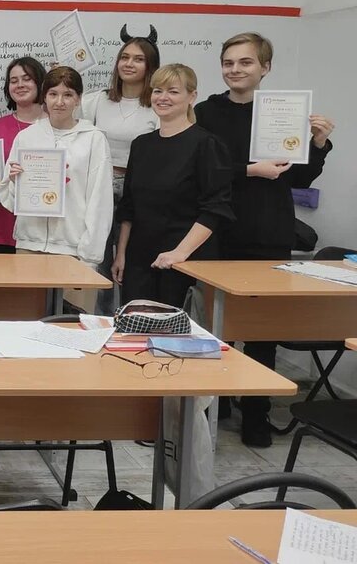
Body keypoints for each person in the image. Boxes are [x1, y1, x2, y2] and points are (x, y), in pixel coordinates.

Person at [195, 32, 335, 447]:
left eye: (246, 62)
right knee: (216, 328)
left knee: (262, 331)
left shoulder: (284, 112)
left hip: (268, 231)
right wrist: (249, 170)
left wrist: (318, 143)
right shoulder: (205, 112)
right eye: (229, 63)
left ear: (265, 68)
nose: (235, 69)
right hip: (217, 230)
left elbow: (299, 176)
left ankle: (256, 413)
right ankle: (216, 404)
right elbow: (200, 171)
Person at [113, 63, 234, 310]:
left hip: (184, 262)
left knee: (176, 331)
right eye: (157, 91)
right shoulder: (141, 145)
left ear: (192, 97)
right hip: (139, 262)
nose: (163, 97)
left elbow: (215, 209)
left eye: (173, 91)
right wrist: (121, 254)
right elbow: (129, 206)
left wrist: (179, 253)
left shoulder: (207, 144)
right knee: (135, 327)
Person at [81, 26, 160, 313]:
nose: (129, 64)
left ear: (150, 66)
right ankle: (100, 322)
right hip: (99, 188)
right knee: (98, 263)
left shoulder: (157, 104)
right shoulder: (97, 101)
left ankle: (132, 320)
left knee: (132, 263)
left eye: (138, 59)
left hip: (138, 193)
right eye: (124, 57)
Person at [0, 66, 113, 266]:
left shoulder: (94, 139)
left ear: (78, 99)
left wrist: (90, 255)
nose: (59, 102)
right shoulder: (26, 137)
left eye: (67, 95)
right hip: (29, 245)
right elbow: (10, 202)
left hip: (73, 249)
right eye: (53, 94)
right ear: (44, 97)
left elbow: (100, 200)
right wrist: (16, 182)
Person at [0, 56, 45, 253]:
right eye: (14, 81)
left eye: (27, 79)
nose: (20, 85)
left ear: (40, 83)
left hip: (41, 232)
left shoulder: (56, 128)